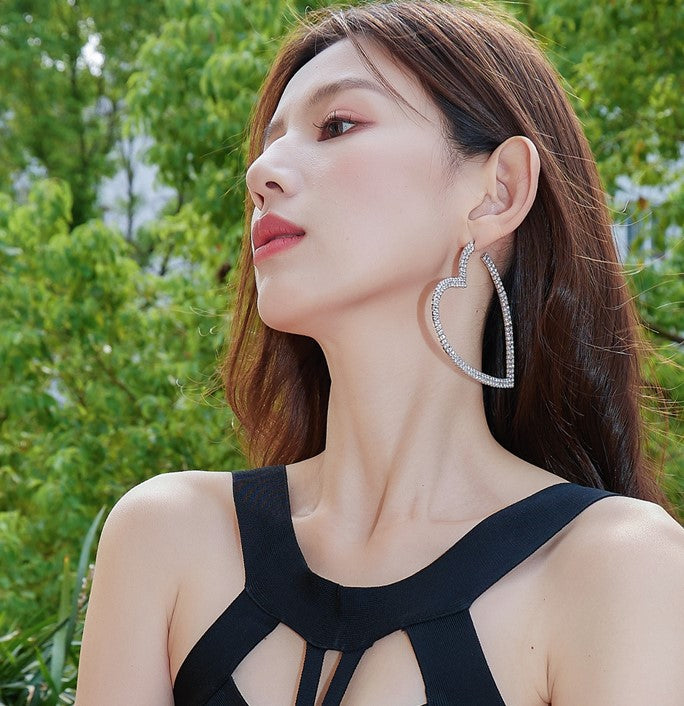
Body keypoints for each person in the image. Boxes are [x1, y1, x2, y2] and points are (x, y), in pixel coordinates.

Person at [75, 1, 684, 704]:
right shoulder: (165, 537)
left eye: (337, 125)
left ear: (498, 191)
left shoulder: (615, 571)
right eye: (267, 145)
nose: (261, 173)